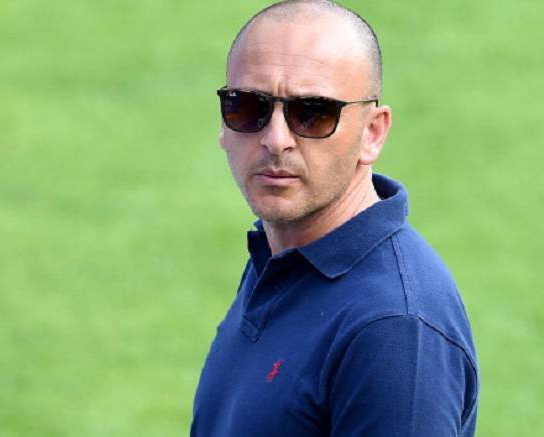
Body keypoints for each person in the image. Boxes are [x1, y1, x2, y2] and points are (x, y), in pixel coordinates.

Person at [190, 1, 479, 436]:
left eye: (312, 113)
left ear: (372, 133)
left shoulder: (393, 330)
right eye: (248, 107)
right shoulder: (281, 254)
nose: (276, 139)